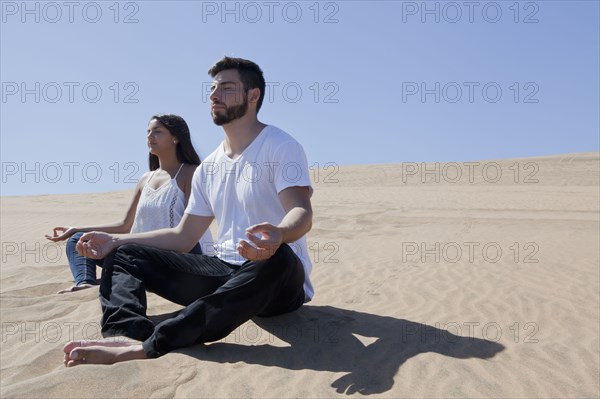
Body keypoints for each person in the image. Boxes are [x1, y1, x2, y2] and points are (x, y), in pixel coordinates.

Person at [62, 57, 314, 366]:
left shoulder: (280, 146)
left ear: (253, 96)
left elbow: (301, 212)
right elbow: (183, 236)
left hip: (277, 281)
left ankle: (151, 345)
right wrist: (115, 242)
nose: (214, 95)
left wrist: (279, 234)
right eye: (212, 88)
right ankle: (127, 332)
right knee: (126, 253)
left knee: (280, 257)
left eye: (226, 87)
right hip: (223, 271)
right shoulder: (209, 166)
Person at [45, 114, 214, 294]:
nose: (150, 136)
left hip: (181, 256)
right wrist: (78, 229)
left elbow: (187, 234)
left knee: (125, 255)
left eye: (157, 132)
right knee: (79, 239)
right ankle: (85, 284)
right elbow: (125, 225)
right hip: (138, 252)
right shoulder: (145, 179)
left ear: (176, 138)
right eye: (148, 131)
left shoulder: (191, 172)